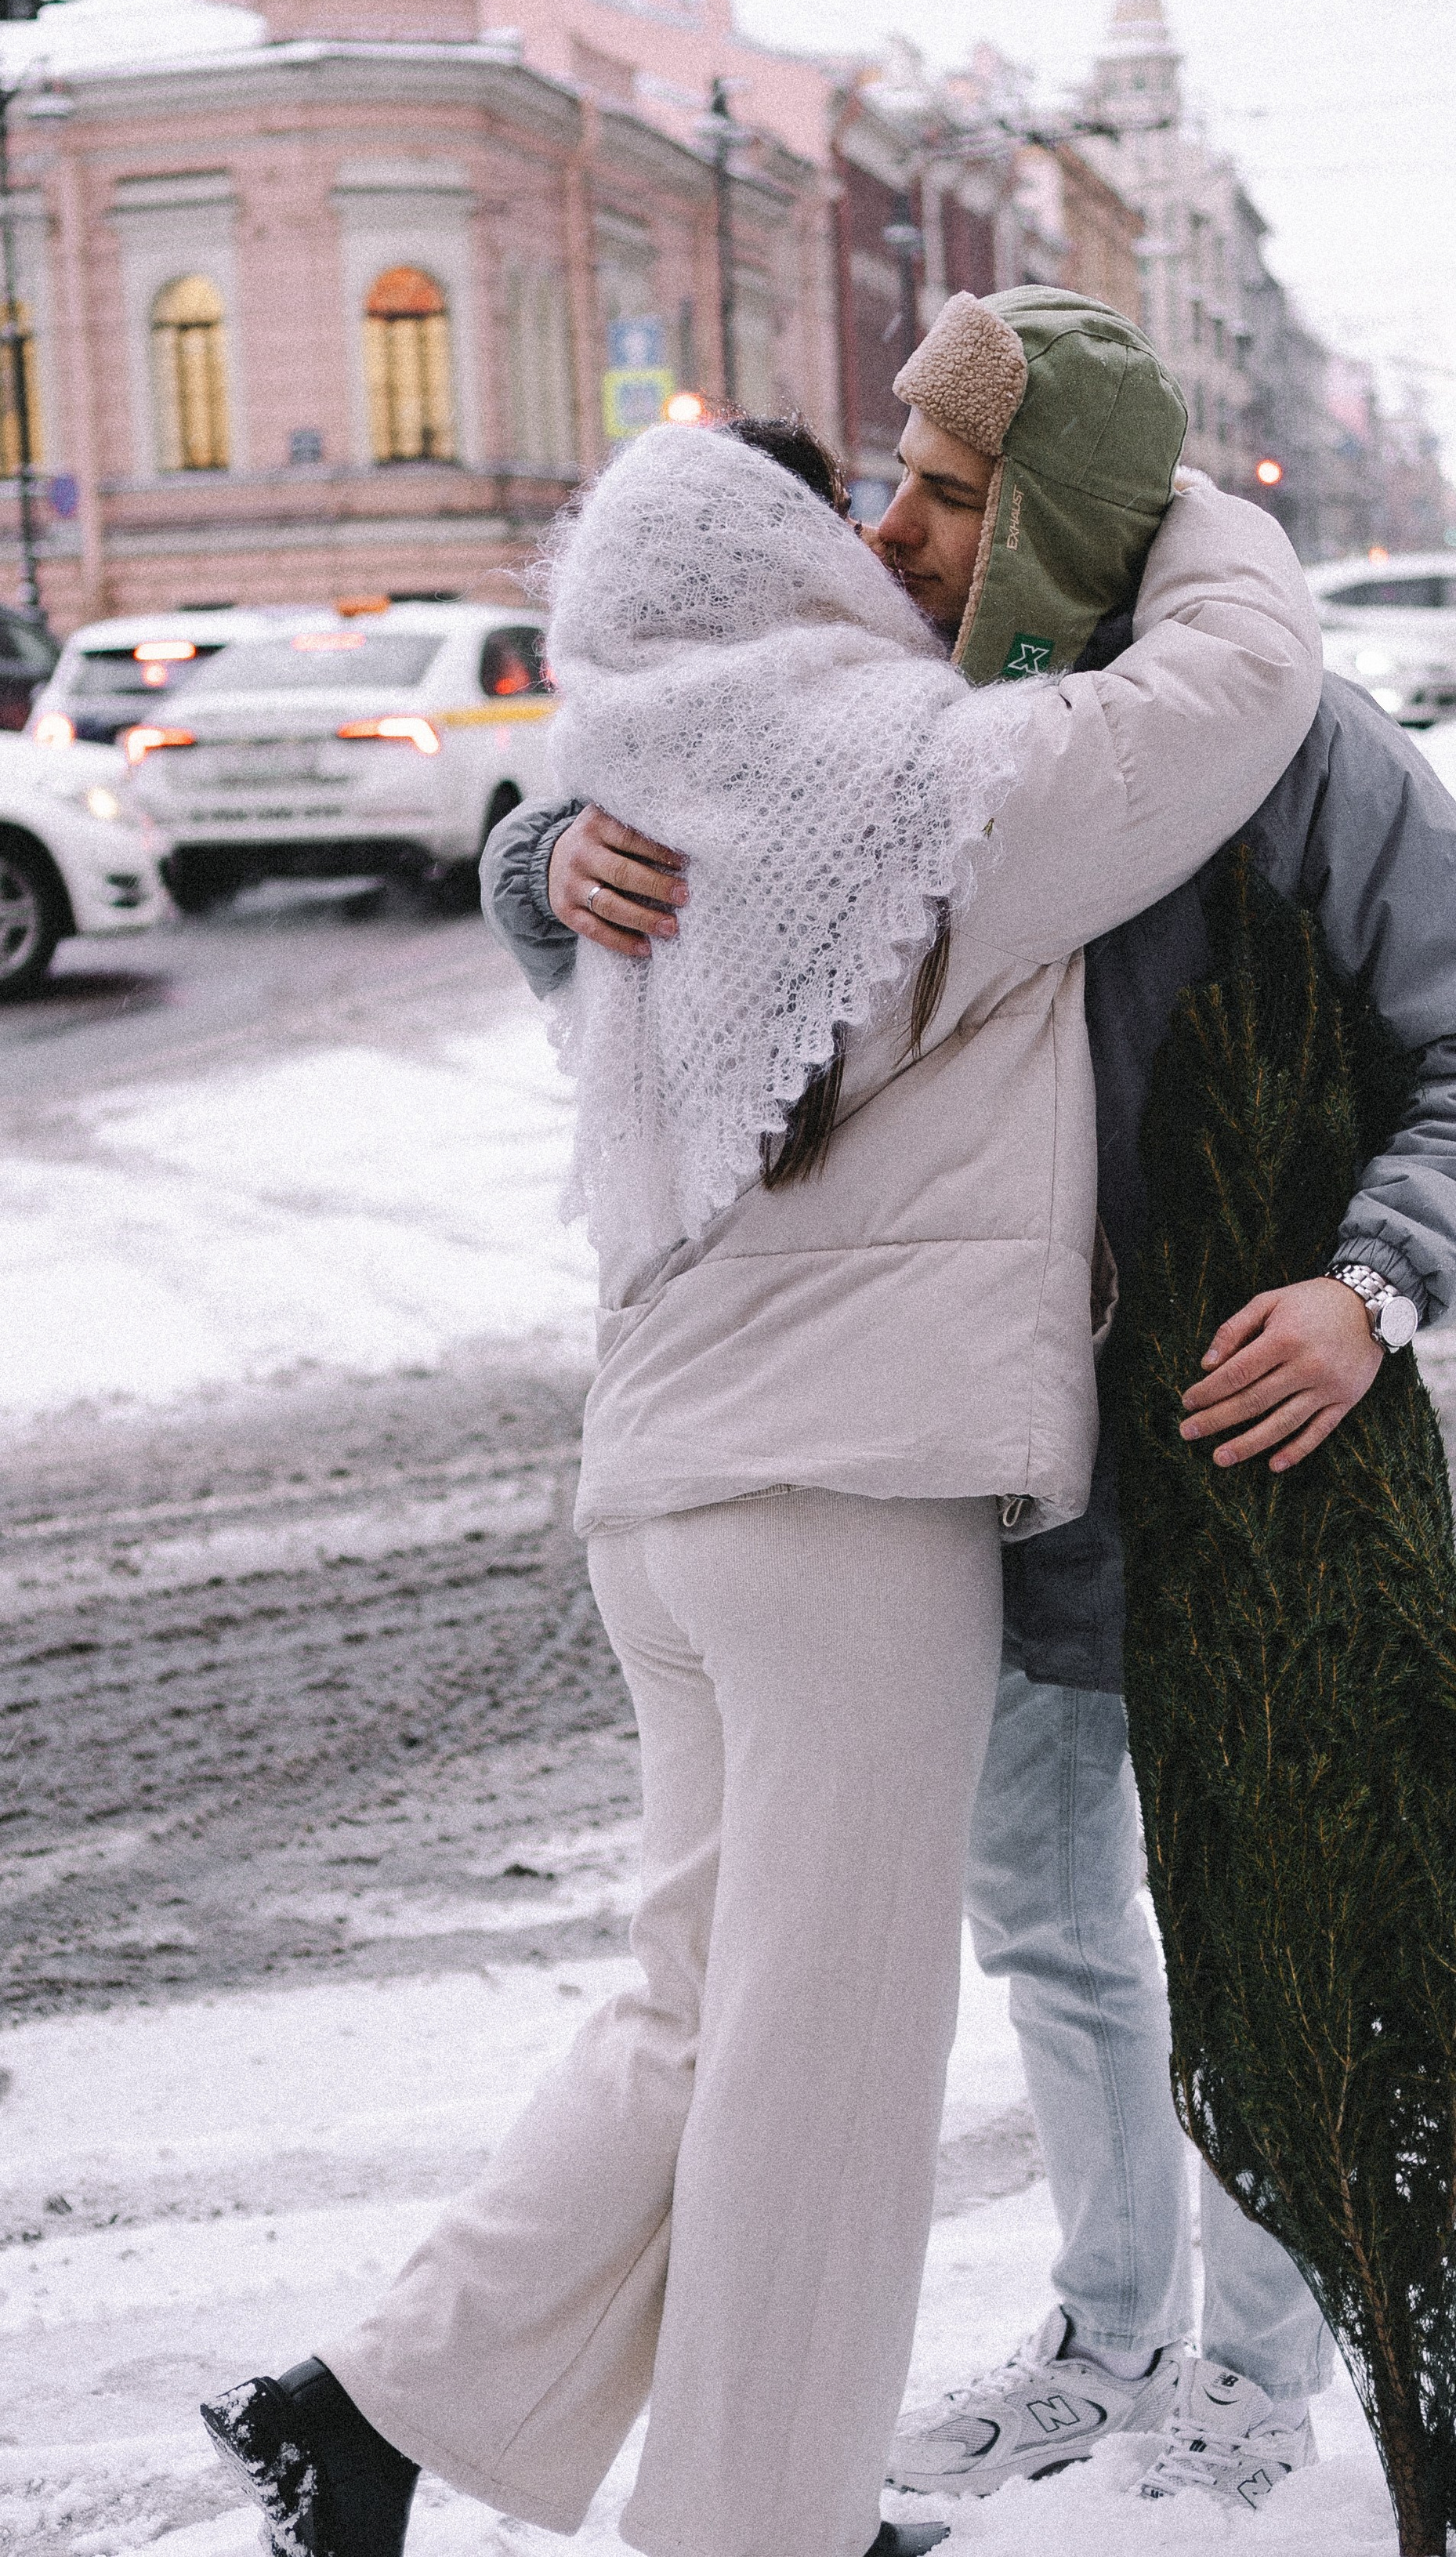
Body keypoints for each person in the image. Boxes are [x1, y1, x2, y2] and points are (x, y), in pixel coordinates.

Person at [201, 321, 1324, 2557]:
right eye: (859, 520)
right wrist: (1150, 489)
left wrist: (537, 844)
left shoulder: (647, 789)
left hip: (666, 1501)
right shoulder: (932, 789)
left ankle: (375, 2404)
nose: (893, 547)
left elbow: (560, 892)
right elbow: (1240, 679)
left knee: (703, 2013)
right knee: (826, 2073)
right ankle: (757, 2530)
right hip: (843, 1514)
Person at [486, 291, 1456, 2519]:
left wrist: (1370, 1290)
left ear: (1060, 510)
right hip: (963, 1480)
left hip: (1249, 1462)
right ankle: (1104, 2324)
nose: (893, 530)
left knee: (1255, 1909)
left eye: (951, 492)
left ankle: (1255, 2377)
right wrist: (539, 861)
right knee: (1053, 1934)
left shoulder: (1300, 757)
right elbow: (653, 821)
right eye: (897, 477)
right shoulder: (889, 722)